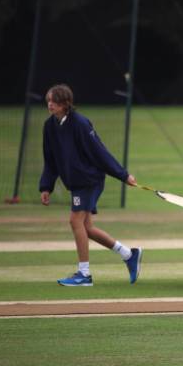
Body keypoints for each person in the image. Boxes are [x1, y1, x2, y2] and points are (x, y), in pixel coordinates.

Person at [39, 84, 143, 287]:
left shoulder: (80, 123)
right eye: (48, 101)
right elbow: (50, 160)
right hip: (76, 183)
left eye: (54, 101)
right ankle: (129, 254)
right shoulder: (49, 126)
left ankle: (84, 275)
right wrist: (46, 186)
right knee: (86, 227)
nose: (50, 105)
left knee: (75, 221)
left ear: (65, 103)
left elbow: (99, 152)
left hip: (89, 180)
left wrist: (123, 175)